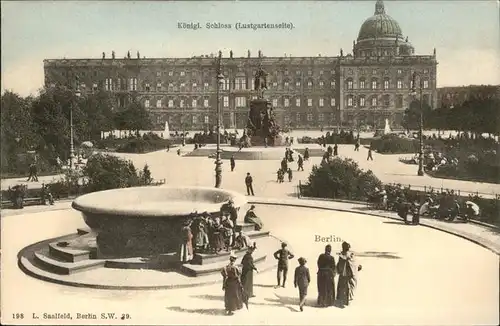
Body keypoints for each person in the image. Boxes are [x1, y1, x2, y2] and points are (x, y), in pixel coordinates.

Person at [336, 242, 362, 307]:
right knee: (349, 288)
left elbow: (339, 265)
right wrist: (357, 268)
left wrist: (339, 270)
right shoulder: (351, 255)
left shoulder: (342, 256)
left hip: (343, 275)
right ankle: (347, 301)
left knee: (343, 288)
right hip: (349, 275)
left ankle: (342, 301)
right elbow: (354, 265)